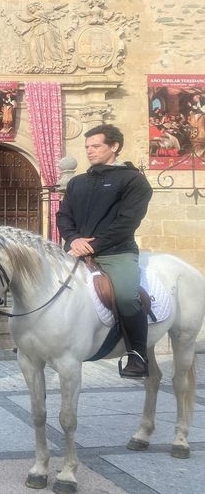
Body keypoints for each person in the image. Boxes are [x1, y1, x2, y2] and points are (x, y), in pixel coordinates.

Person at [56, 124, 153, 378]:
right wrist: (73, 239)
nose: (90, 151)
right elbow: (63, 215)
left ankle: (138, 355)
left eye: (96, 146)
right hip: (77, 250)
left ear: (114, 147)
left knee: (125, 296)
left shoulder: (134, 181)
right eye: (87, 147)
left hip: (117, 253)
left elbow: (126, 223)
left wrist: (91, 246)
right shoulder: (77, 182)